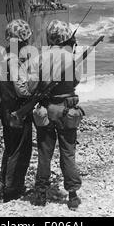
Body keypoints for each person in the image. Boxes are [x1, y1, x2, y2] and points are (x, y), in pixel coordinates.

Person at [26, 20, 84, 210]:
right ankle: (73, 196)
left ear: (49, 36)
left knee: (44, 153)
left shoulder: (38, 59)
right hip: (68, 110)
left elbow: (31, 87)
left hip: (46, 110)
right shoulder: (72, 58)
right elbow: (76, 82)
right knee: (68, 153)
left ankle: (41, 194)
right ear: (66, 36)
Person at [0, 19, 34, 202]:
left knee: (10, 147)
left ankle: (5, 181)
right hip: (17, 111)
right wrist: (34, 94)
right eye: (26, 40)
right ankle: (12, 189)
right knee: (20, 150)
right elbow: (20, 90)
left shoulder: (5, 55)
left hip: (7, 109)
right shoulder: (14, 60)